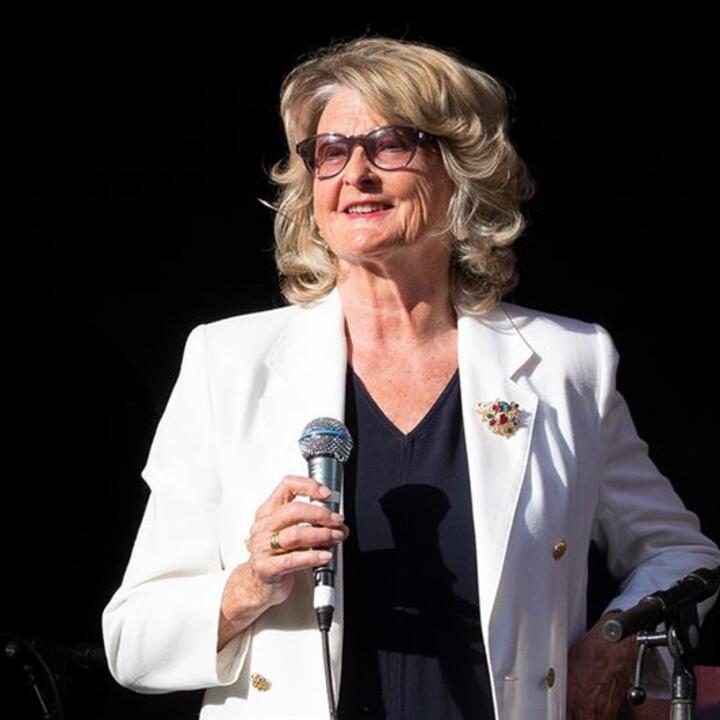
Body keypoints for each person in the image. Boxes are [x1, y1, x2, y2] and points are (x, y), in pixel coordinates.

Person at [102, 35, 720, 720]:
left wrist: (616, 648)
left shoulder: (566, 363)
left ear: (461, 170)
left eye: (390, 144)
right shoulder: (228, 361)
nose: (355, 173)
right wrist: (251, 583)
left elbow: (683, 557)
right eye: (330, 151)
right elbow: (133, 641)